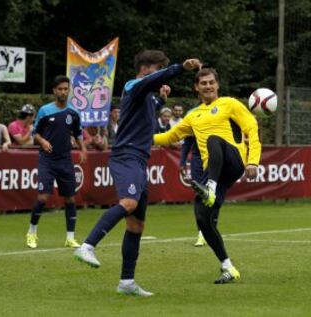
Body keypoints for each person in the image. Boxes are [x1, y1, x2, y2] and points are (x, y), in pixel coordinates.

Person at [74, 49, 201, 297]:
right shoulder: (134, 84)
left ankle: (126, 282)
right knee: (129, 203)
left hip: (139, 161)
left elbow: (149, 106)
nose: (160, 79)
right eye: (158, 70)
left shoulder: (144, 96)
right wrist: (180, 68)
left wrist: (162, 100)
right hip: (127, 156)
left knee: (136, 225)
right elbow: (149, 83)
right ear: (146, 68)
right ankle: (87, 245)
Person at [154, 68, 261, 284]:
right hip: (213, 169)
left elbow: (252, 127)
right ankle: (228, 267)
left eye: (211, 82)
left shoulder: (229, 104)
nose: (208, 86)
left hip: (234, 161)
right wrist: (141, 138)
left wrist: (253, 160)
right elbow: (170, 136)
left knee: (213, 139)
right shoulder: (193, 115)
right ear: (196, 87)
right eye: (203, 83)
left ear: (218, 85)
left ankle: (210, 187)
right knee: (203, 219)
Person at [26, 75, 87, 249]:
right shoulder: (45, 110)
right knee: (43, 196)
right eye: (60, 89)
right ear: (54, 91)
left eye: (65, 89)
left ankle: (70, 237)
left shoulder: (74, 112)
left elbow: (78, 133)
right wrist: (43, 141)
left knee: (70, 199)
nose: (63, 92)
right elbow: (35, 133)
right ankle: (32, 232)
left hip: (66, 160)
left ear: (69, 90)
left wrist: (83, 149)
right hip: (47, 160)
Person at [179, 135, 206, 247]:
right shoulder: (193, 118)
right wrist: (182, 162)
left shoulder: (218, 118)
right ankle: (201, 232)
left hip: (214, 159)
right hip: (197, 160)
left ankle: (210, 229)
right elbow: (187, 142)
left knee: (212, 194)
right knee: (199, 194)